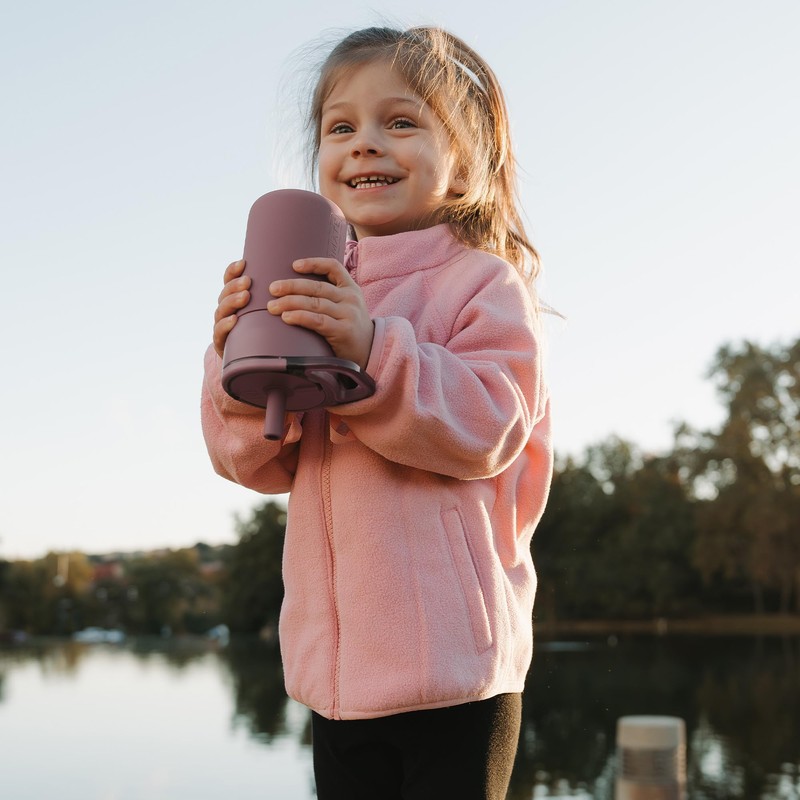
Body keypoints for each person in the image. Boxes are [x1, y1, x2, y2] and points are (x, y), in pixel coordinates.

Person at [202, 25, 553, 800]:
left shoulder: (481, 284)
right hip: (337, 680)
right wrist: (237, 362)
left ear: (461, 163)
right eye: (340, 127)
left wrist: (369, 349)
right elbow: (252, 464)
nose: (365, 143)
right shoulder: (300, 289)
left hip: (455, 673)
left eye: (399, 122)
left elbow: (490, 426)